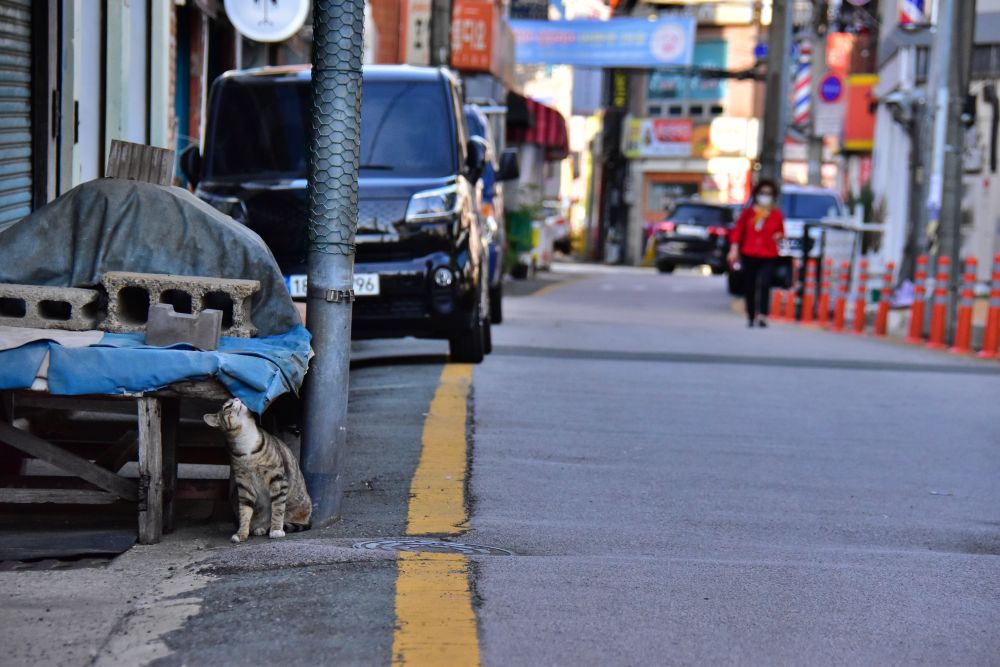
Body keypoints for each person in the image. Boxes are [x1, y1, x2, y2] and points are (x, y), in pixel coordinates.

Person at [727, 180, 785, 328]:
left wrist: (779, 237)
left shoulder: (776, 214)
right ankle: (751, 315)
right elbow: (738, 231)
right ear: (757, 194)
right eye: (762, 193)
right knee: (750, 285)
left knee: (765, 283)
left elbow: (781, 232)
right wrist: (734, 248)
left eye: (769, 194)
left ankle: (763, 315)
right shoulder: (749, 213)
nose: (765, 196)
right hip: (749, 253)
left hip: (768, 254)